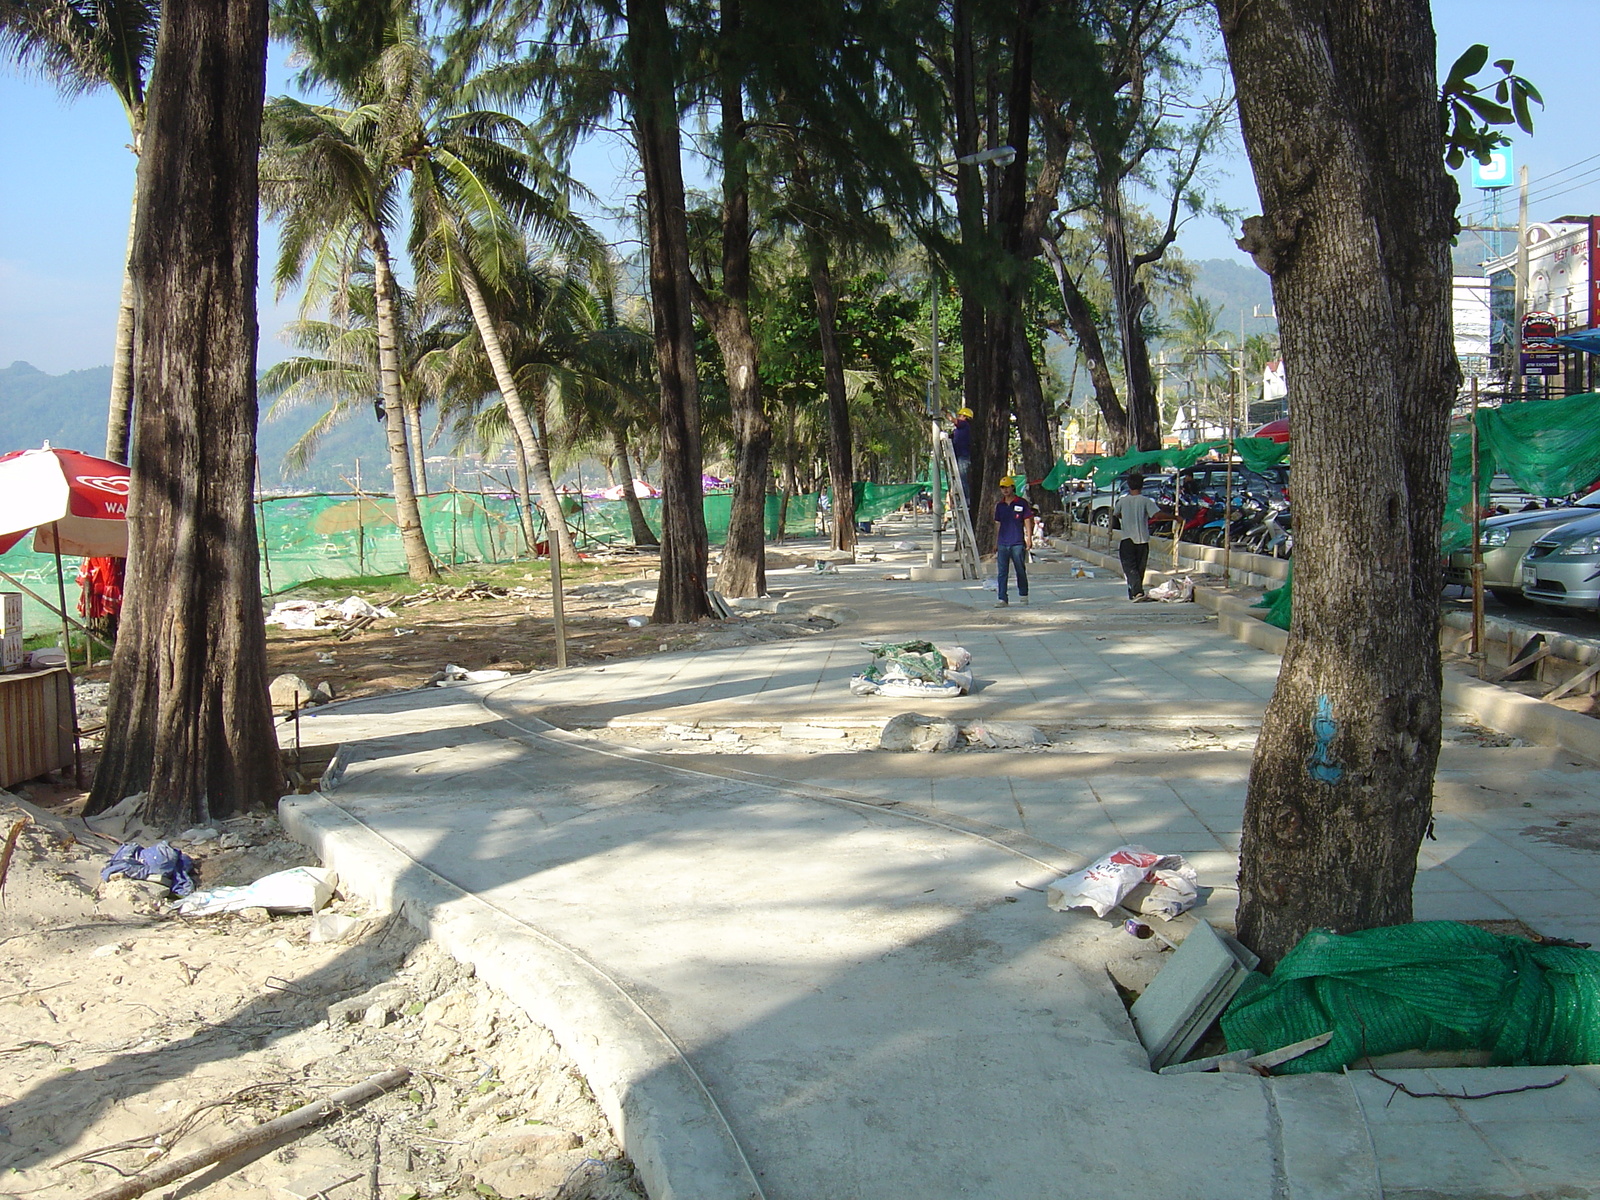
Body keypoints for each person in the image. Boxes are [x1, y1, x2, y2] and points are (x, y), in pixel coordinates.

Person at [1112, 474, 1160, 601]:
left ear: (1128, 485)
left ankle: (1135, 592)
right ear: (1142, 485)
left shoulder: (1122, 501)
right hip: (1142, 539)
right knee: (1139, 568)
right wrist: (1175, 518)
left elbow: (1116, 514)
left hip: (1127, 539)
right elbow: (1157, 515)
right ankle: (1137, 592)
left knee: (1130, 568)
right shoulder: (1146, 501)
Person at [992, 476, 1036, 607]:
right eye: (1002, 488)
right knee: (1002, 572)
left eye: (1007, 487)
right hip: (1003, 543)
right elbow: (997, 524)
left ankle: (1023, 595)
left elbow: (1027, 520)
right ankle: (1002, 598)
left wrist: (1029, 537)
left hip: (1017, 542)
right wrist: (995, 542)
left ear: (1012, 487)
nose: (1005, 490)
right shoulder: (1000, 506)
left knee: (1020, 569)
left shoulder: (1021, 503)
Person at [950, 407, 973, 499]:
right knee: (959, 478)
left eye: (960, 415)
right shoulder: (960, 430)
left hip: (963, 457)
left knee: (962, 479)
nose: (959, 417)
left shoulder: (964, 424)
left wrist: (945, 412)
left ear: (965, 417)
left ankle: (966, 499)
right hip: (959, 455)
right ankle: (961, 498)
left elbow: (952, 420)